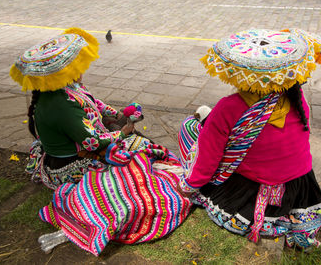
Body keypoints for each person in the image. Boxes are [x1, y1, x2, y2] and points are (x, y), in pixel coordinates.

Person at [10, 28, 192, 256]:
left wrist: (117, 114)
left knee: (135, 148)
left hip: (73, 150)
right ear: (64, 71)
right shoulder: (61, 104)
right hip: (69, 165)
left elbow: (95, 104)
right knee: (133, 169)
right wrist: (123, 132)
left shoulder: (66, 88)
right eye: (76, 65)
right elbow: (93, 142)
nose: (81, 69)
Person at [176, 28, 321, 250]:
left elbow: (208, 159)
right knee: (212, 126)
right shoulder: (296, 98)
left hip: (253, 190)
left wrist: (188, 186)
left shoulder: (229, 107)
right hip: (300, 188)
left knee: (189, 128)